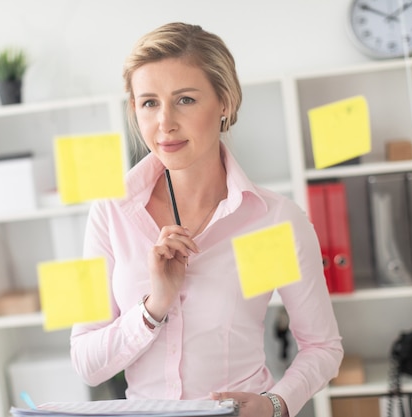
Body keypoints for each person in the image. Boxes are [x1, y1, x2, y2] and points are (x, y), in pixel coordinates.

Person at [70, 22, 343, 417]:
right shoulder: (111, 213)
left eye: (184, 100)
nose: (164, 122)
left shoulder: (271, 222)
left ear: (225, 103)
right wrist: (154, 306)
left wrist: (276, 404)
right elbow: (86, 362)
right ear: (135, 109)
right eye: (149, 102)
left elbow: (322, 346)